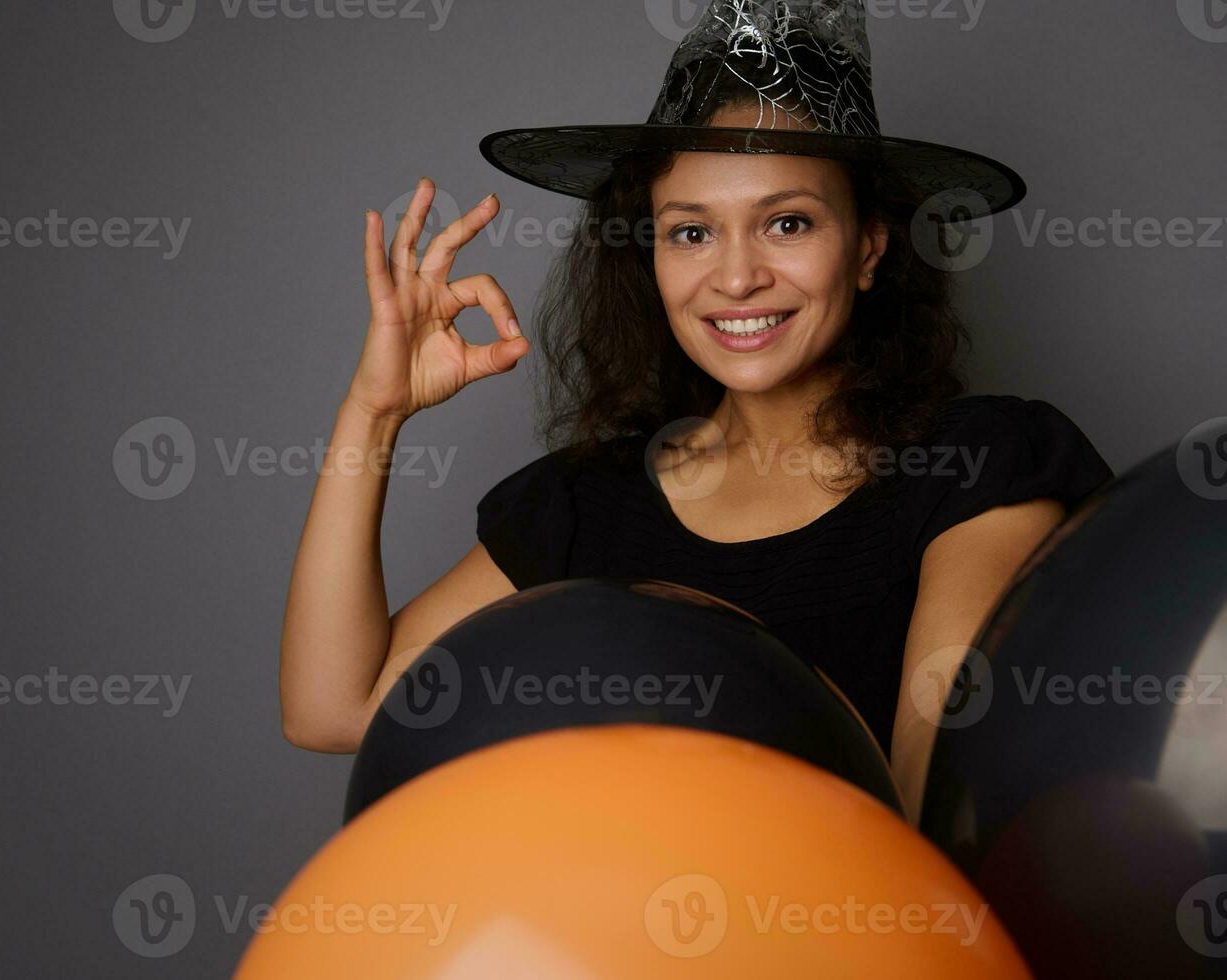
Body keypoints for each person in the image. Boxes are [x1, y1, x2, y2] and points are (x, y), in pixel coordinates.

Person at [278, 0, 1113, 823]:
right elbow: (331, 709)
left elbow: (926, 813)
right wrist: (374, 413)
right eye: (690, 232)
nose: (736, 277)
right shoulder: (586, 503)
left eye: (786, 222)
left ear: (867, 248)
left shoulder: (981, 465)